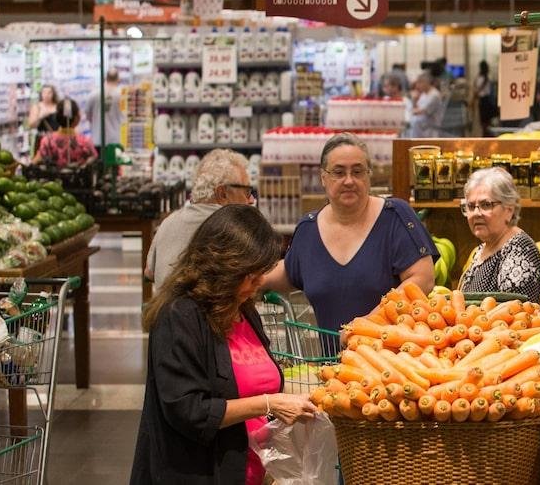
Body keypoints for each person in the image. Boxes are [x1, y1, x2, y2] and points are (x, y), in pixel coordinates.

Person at [131, 204, 317, 485]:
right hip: (199, 473)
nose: (259, 283)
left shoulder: (243, 308)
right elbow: (189, 411)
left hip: (251, 470)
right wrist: (268, 403)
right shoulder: (179, 315)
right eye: (251, 275)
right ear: (225, 266)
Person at [263, 133, 438, 331]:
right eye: (338, 172)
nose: (349, 181)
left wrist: (365, 326)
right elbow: (290, 270)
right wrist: (251, 280)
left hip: (390, 355)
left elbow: (422, 279)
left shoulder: (395, 216)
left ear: (368, 175)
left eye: (357, 172)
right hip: (330, 359)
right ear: (323, 178)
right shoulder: (309, 229)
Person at [146, 149, 255, 291]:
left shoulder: (169, 221)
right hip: (211, 313)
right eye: (247, 192)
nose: (251, 200)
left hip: (165, 311)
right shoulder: (234, 228)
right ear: (222, 194)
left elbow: (149, 273)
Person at [457, 167, 540, 303]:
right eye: (470, 206)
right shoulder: (483, 248)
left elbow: (517, 316)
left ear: (509, 210)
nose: (476, 213)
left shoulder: (520, 251)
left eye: (486, 204)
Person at [34, 98, 98, 168]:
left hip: (53, 179)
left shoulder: (47, 141)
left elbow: (36, 161)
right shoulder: (84, 142)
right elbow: (94, 159)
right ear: (77, 118)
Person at [86, 69, 124, 147]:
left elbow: (88, 116)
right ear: (118, 79)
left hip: (97, 139)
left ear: (105, 78)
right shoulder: (122, 95)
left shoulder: (93, 94)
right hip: (116, 140)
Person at [404, 72, 445, 138]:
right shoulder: (424, 93)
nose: (417, 86)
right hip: (422, 121)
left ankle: (412, 143)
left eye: (419, 83)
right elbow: (417, 108)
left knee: (412, 121)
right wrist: (414, 100)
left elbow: (421, 111)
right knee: (407, 121)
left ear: (426, 82)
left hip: (430, 124)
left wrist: (409, 111)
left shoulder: (434, 95)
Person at [474, 60, 497, 135]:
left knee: (484, 121)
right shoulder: (486, 77)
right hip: (487, 100)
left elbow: (477, 89)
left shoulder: (483, 78)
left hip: (484, 101)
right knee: (486, 120)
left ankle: (486, 135)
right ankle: (487, 134)